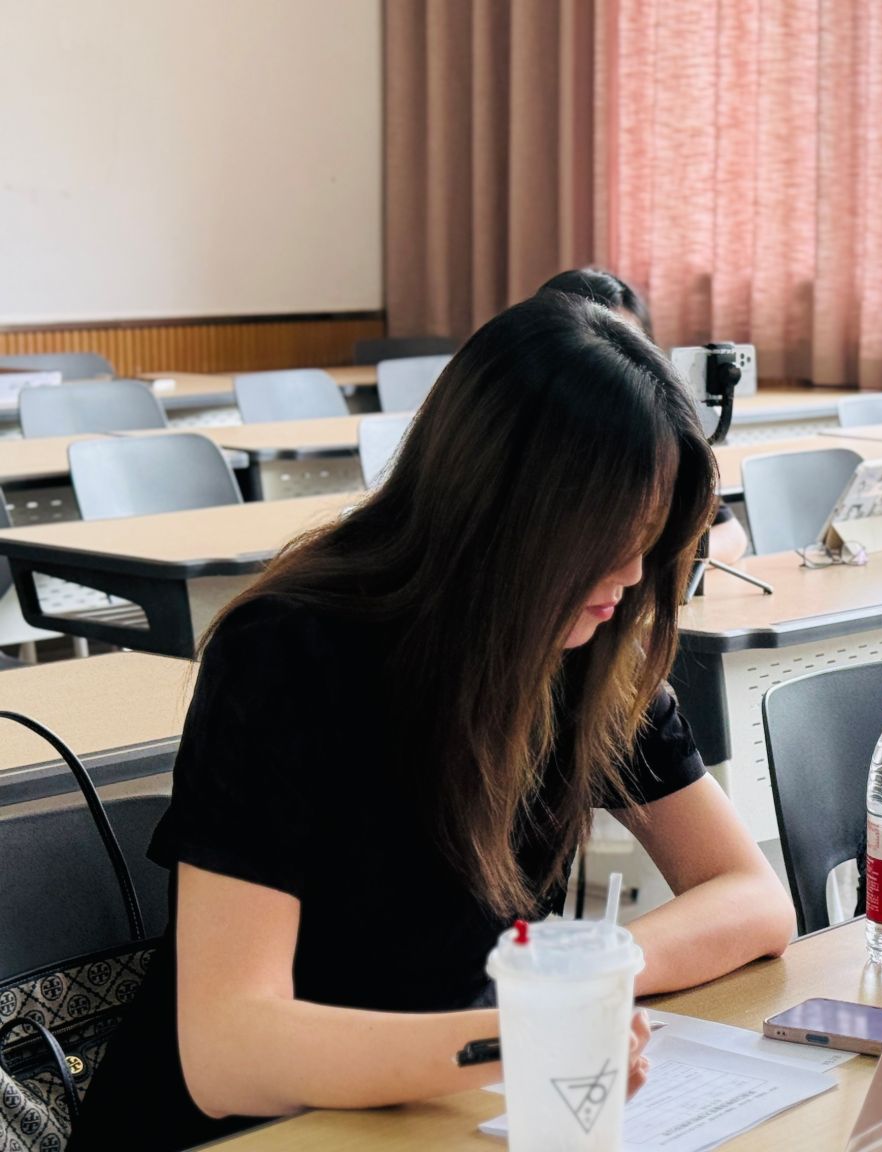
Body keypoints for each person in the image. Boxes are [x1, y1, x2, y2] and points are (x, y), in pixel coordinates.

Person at [72, 295, 795, 1151]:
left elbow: (753, 899)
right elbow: (229, 1051)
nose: (633, 574)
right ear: (506, 514)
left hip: (425, 1111)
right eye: (607, 538)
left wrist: (587, 980)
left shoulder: (583, 648)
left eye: (649, 537)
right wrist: (514, 1035)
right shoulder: (290, 655)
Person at [537, 267, 749, 564]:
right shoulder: (535, 441)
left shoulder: (655, 434)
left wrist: (657, 564)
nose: (620, 364)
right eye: (604, 346)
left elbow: (730, 534)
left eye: (630, 346)